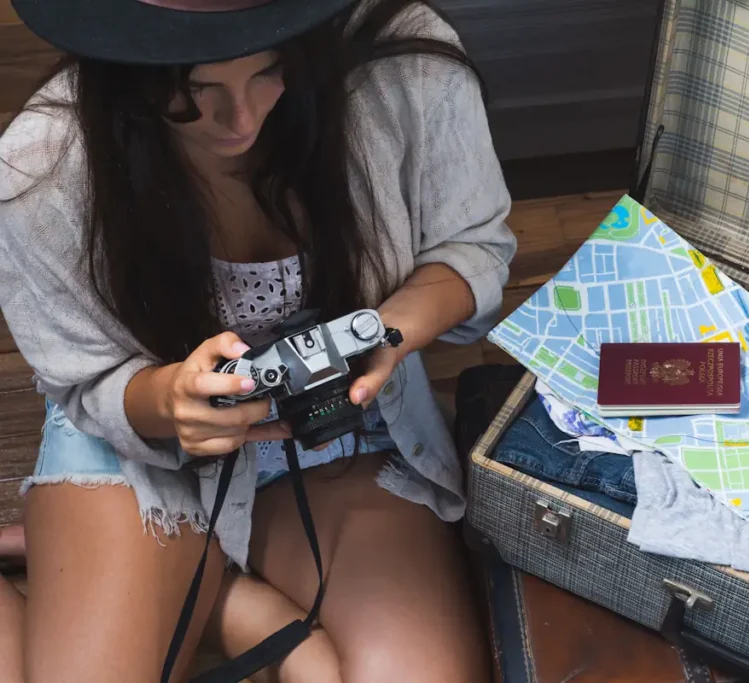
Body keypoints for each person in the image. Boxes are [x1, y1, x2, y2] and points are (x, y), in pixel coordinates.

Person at [0, 0, 516, 680]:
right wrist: (169, 399)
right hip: (139, 440)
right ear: (125, 67)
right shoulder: (42, 166)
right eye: (194, 91)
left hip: (338, 429)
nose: (241, 121)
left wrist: (386, 333)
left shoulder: (406, 66)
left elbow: (472, 247)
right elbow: (90, 380)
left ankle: (184, 576)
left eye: (273, 71)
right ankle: (206, 586)